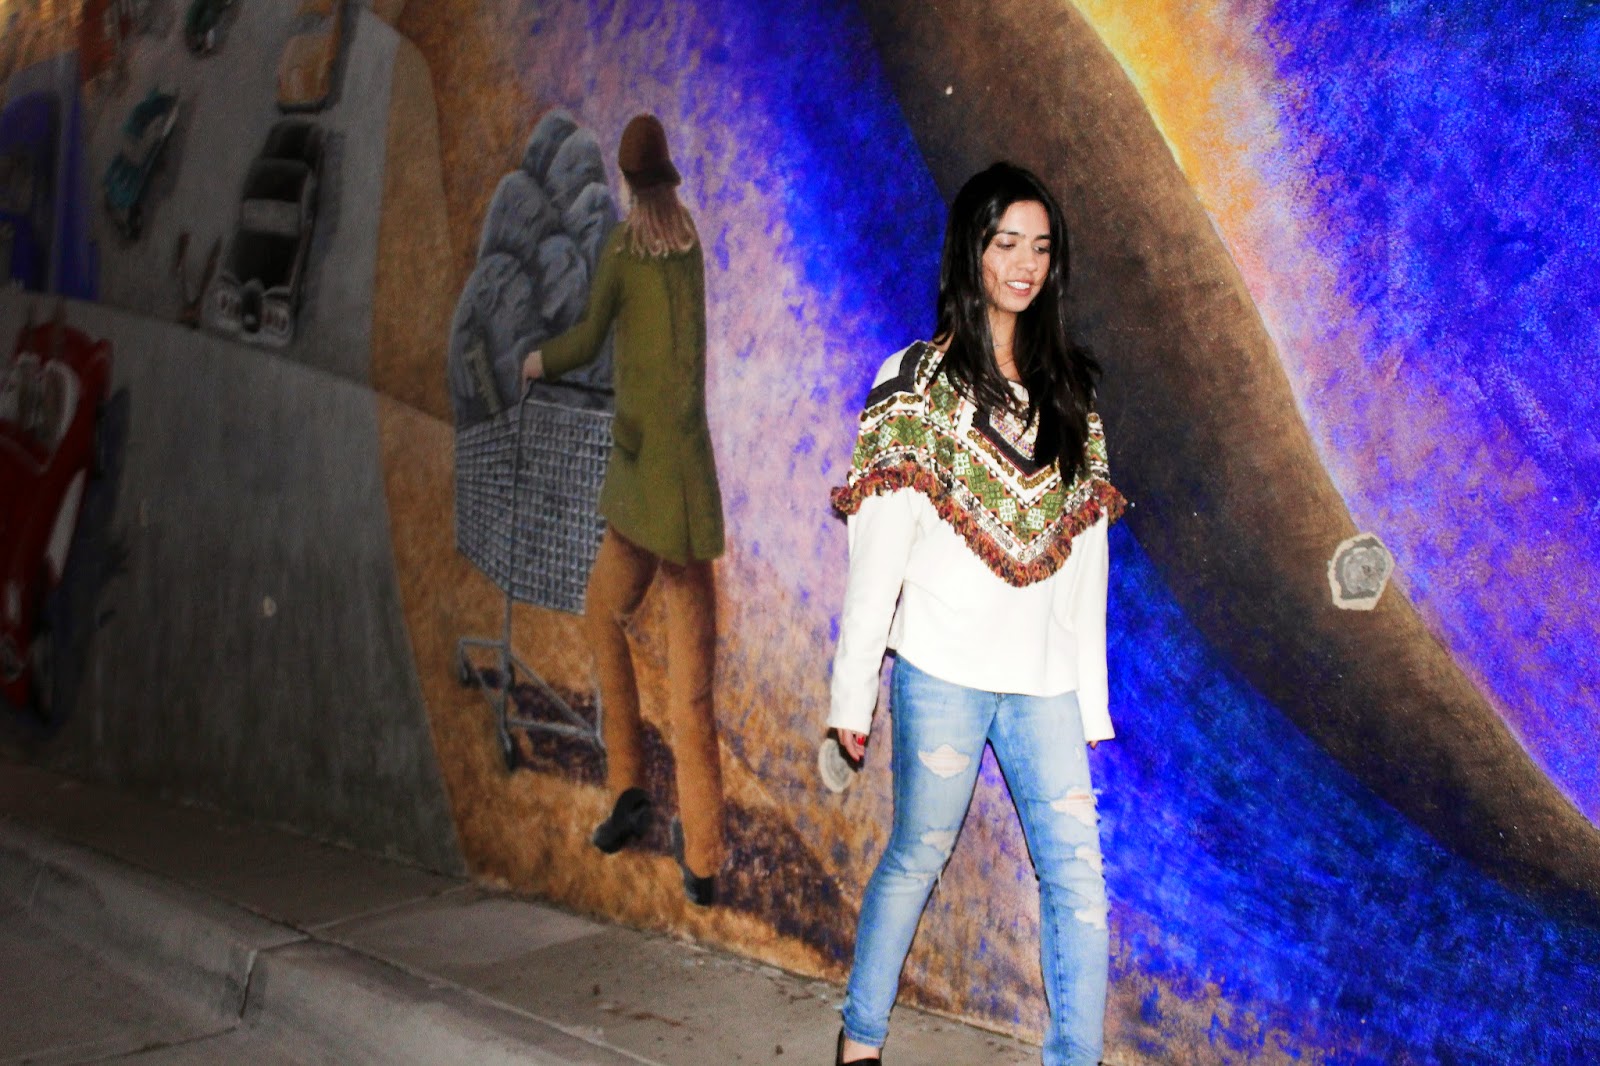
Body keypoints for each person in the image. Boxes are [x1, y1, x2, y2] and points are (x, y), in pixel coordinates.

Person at [827, 162, 1126, 1065]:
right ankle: (859, 1043)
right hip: (941, 672)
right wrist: (851, 698)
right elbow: (876, 556)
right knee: (917, 856)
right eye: (1007, 243)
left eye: (1041, 247)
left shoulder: (1070, 392)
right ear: (972, 249)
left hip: (1043, 685)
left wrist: (1089, 703)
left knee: (1078, 880)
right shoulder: (913, 383)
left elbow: (1087, 567)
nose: (1026, 264)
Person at [522, 114, 726, 907]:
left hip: (641, 493)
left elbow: (585, 342)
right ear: (667, 177)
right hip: (687, 500)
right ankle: (702, 860)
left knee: (603, 615)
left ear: (625, 183)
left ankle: (628, 789)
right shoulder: (690, 247)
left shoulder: (621, 250)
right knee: (692, 693)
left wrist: (538, 360)